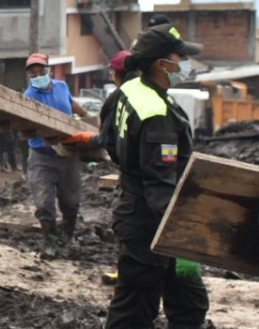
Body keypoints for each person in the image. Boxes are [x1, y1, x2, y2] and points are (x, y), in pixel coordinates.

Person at [65, 25, 209, 328]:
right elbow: (160, 188)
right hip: (155, 229)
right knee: (135, 311)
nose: (185, 64)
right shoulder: (156, 115)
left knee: (189, 303)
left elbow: (109, 142)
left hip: (147, 217)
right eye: (180, 57)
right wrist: (187, 236)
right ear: (161, 63)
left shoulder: (129, 91)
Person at [22, 53, 88, 258]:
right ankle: (50, 242)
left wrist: (92, 120)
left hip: (69, 154)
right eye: (33, 71)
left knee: (71, 201)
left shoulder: (61, 86)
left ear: (48, 69)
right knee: (43, 203)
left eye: (41, 69)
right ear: (29, 74)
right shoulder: (29, 96)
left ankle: (67, 237)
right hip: (42, 156)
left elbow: (74, 106)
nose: (37, 73)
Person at [99, 49, 134, 164]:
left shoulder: (116, 98)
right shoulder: (148, 91)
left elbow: (107, 138)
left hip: (129, 167)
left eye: (112, 71)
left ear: (116, 73)